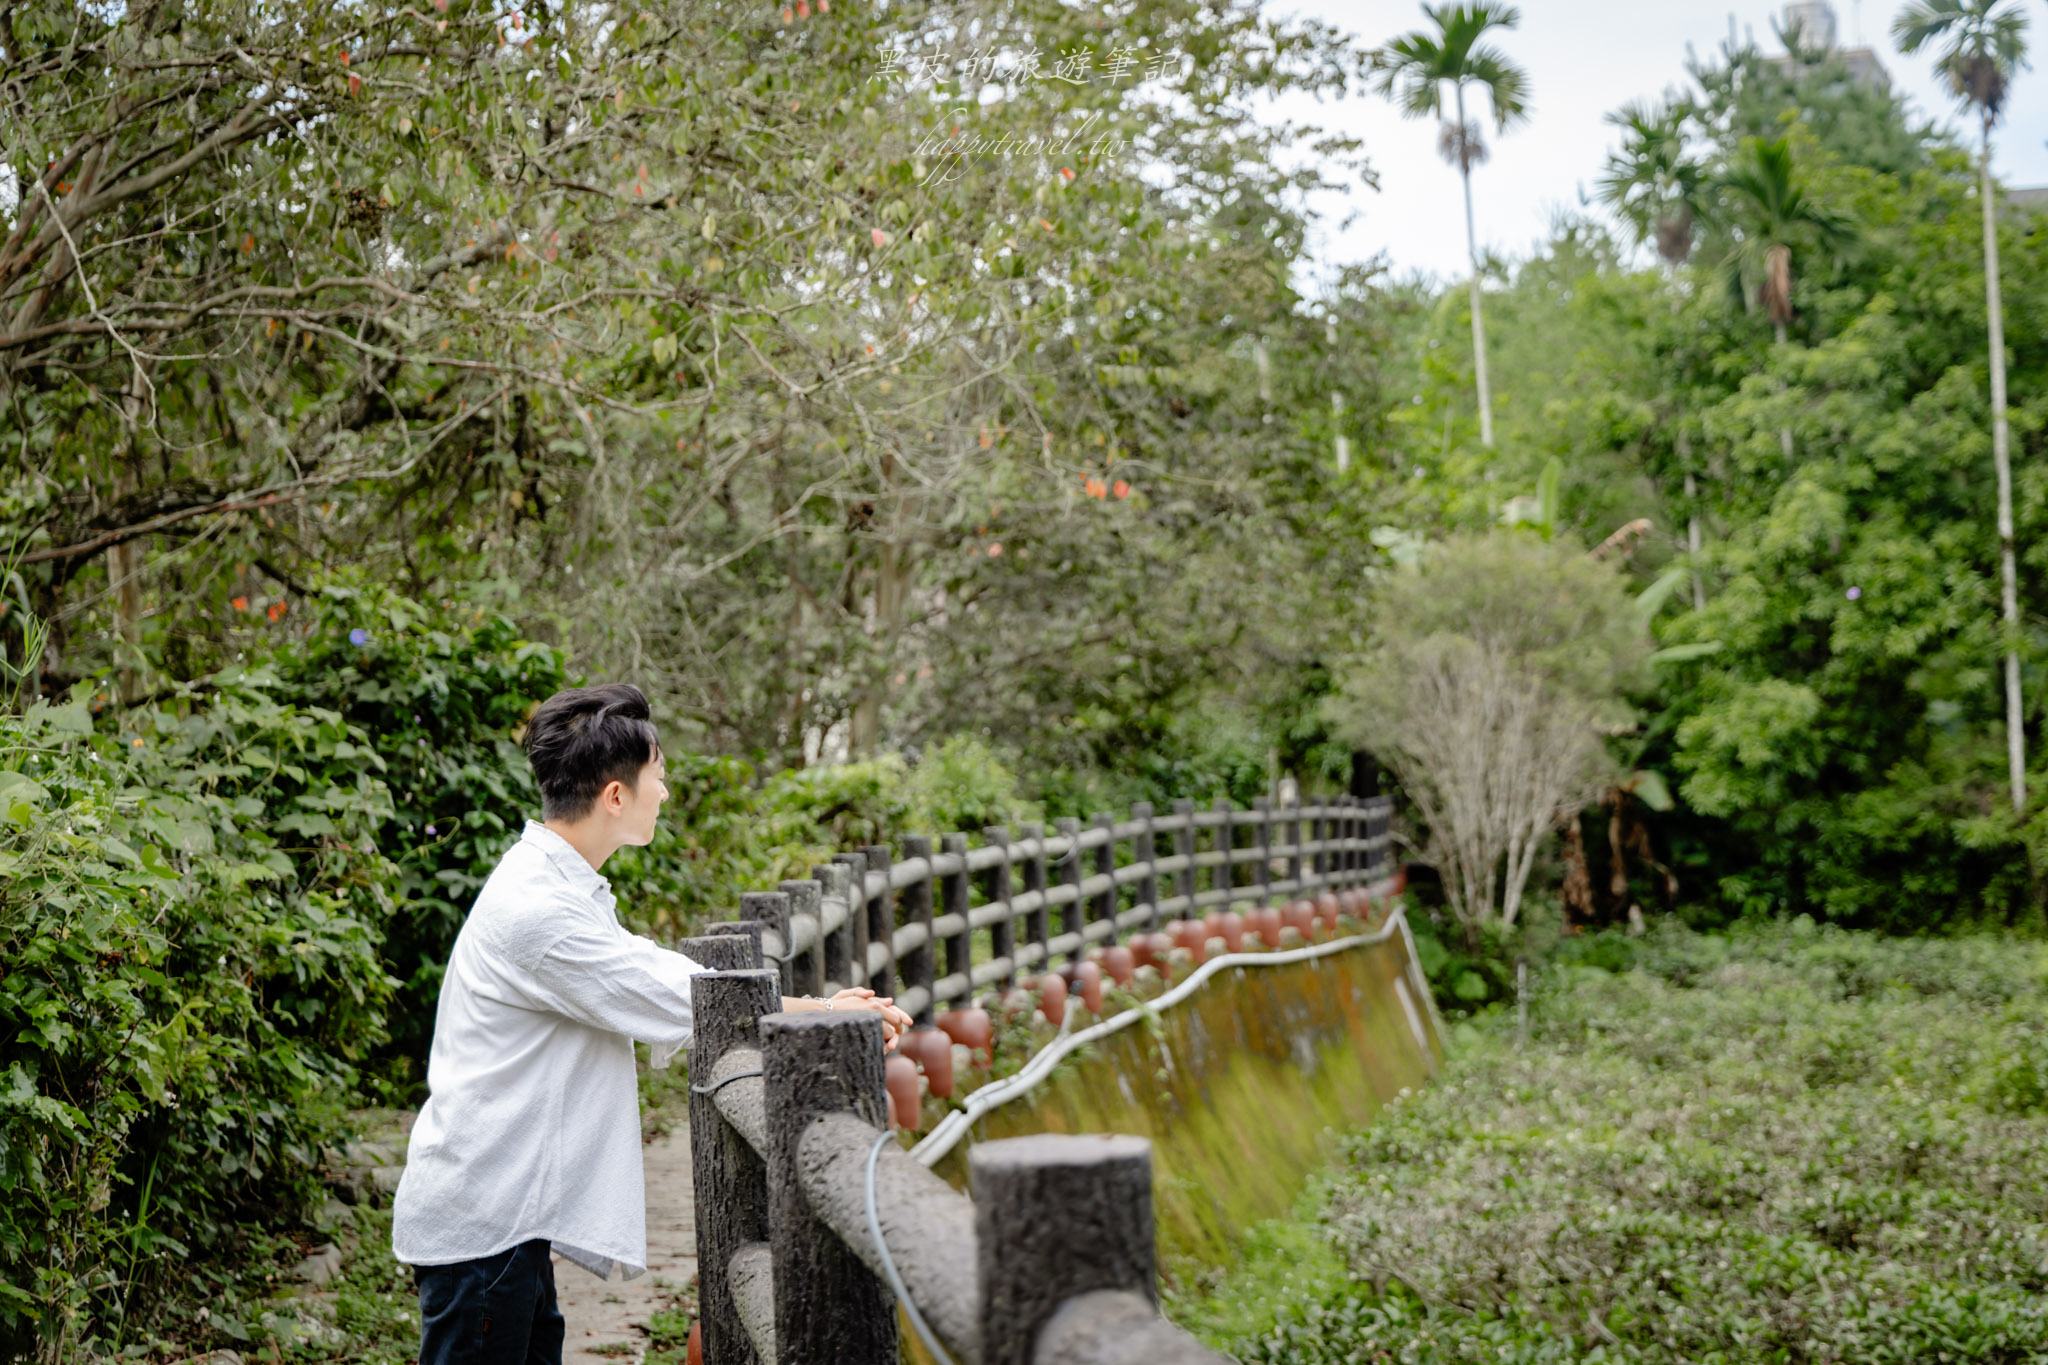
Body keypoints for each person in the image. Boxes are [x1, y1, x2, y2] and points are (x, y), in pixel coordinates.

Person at [391, 683, 911, 1365]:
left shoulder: (556, 885)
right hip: (485, 1222)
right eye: (658, 776)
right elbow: (676, 995)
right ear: (615, 794)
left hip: (505, 1218)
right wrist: (828, 1012)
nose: (663, 792)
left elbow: (648, 968)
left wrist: (825, 1008)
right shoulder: (538, 910)